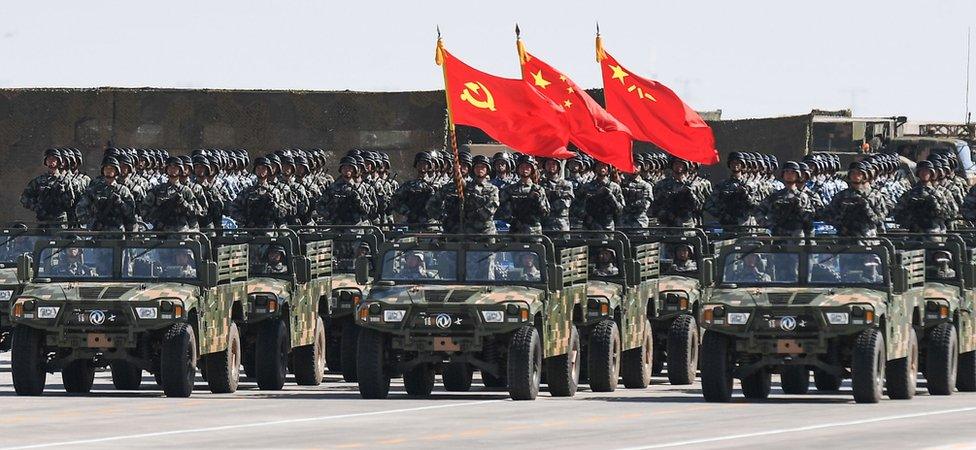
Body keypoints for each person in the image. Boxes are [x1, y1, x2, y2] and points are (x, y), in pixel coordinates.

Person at [822, 162, 888, 237]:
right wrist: (840, 224)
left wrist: (866, 208)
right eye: (853, 173)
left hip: (868, 238)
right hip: (845, 238)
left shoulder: (875, 195)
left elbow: (880, 218)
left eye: (859, 173)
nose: (855, 176)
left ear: (864, 176)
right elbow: (828, 215)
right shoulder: (841, 196)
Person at [893, 160, 955, 234]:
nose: (924, 173)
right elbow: (898, 214)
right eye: (921, 171)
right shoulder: (910, 194)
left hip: (935, 231)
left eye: (927, 171)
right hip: (914, 233)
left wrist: (936, 206)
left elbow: (949, 214)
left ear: (931, 173)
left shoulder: (938, 194)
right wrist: (911, 213)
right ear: (918, 173)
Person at [143, 157, 203, 232]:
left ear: (180, 170)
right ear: (166, 169)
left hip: (182, 232)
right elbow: (144, 209)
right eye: (170, 167)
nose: (172, 169)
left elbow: (197, 212)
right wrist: (157, 216)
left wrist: (183, 203)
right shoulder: (157, 190)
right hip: (161, 232)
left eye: (175, 168)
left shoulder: (186, 191)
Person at [76, 157, 136, 231]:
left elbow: (131, 214)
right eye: (106, 169)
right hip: (97, 233)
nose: (108, 171)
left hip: (118, 234)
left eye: (111, 169)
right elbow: (80, 208)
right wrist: (91, 221)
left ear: (116, 171)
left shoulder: (123, 190)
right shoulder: (94, 190)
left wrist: (121, 204)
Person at [757, 161, 816, 237]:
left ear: (797, 175)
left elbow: (809, 222)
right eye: (787, 172)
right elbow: (759, 210)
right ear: (783, 175)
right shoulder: (775, 196)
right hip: (777, 238)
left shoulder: (803, 197)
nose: (789, 175)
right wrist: (768, 224)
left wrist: (800, 209)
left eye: (792, 172)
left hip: (796, 239)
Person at [21, 148, 76, 224]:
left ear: (59, 161)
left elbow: (71, 201)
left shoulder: (65, 181)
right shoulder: (38, 181)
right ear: (45, 161)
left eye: (54, 159)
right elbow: (24, 198)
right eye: (49, 158)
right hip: (42, 220)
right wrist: (37, 207)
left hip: (59, 220)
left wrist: (60, 198)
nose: (51, 161)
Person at [498, 155, 550, 234]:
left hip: (534, 231)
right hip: (515, 231)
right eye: (522, 167)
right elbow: (503, 212)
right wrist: (515, 220)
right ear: (518, 169)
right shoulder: (509, 189)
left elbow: (545, 213)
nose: (524, 170)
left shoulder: (538, 189)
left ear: (532, 169)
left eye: (527, 167)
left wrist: (538, 201)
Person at [705, 152, 760, 226]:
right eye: (732, 163)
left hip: (745, 225)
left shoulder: (751, 184)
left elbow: (757, 206)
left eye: (738, 163)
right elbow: (709, 204)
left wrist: (746, 195)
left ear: (742, 165)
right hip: (727, 225)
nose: (735, 165)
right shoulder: (722, 185)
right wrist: (721, 215)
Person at [651, 158, 708, 227]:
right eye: (676, 164)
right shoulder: (662, 184)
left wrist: (690, 194)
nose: (678, 166)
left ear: (686, 166)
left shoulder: (692, 185)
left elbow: (699, 206)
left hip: (685, 224)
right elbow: (655, 206)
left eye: (681, 164)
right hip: (666, 225)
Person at [393, 152, 438, 229]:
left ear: (429, 166)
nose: (422, 166)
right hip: (411, 223)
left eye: (425, 164)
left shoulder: (435, 185)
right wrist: (408, 212)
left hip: (429, 223)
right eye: (420, 163)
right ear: (416, 165)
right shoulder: (409, 185)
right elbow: (395, 200)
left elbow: (440, 203)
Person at [579, 160, 625, 231]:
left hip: (607, 226)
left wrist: (610, 196)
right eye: (599, 165)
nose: (602, 168)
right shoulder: (587, 186)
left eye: (604, 165)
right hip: (590, 226)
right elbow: (578, 207)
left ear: (608, 169)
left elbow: (620, 210)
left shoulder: (615, 187)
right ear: (595, 168)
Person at [540, 158, 574, 231]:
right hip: (544, 225)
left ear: (558, 167)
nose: (551, 166)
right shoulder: (540, 184)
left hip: (561, 225)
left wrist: (550, 196)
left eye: (553, 164)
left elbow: (565, 204)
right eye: (548, 164)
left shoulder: (566, 184)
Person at [620, 155, 654, 228]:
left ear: (641, 167)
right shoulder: (621, 184)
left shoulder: (646, 185)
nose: (634, 167)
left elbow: (645, 205)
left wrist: (629, 207)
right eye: (631, 164)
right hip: (623, 224)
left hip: (639, 223)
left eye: (637, 165)